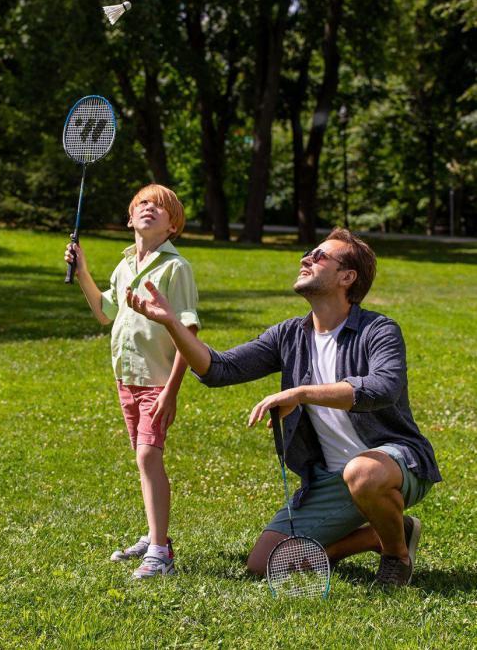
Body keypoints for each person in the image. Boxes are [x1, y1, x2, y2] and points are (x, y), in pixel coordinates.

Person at [126, 227, 441, 587]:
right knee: (263, 564)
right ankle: (382, 532)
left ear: (346, 277)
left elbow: (382, 388)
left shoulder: (378, 330)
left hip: (396, 463)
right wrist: (171, 323)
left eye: (320, 256)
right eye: (309, 252)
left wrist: (301, 393)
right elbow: (218, 370)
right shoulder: (289, 335)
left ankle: (395, 556)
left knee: (362, 472)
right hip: (328, 479)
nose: (307, 259)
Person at [64, 184, 199, 579]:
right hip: (127, 379)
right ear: (130, 218)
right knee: (144, 461)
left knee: (147, 457)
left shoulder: (176, 268)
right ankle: (156, 536)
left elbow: (189, 336)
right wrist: (84, 272)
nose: (150, 208)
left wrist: (172, 391)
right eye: (143, 203)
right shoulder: (124, 266)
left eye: (161, 206)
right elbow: (106, 312)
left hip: (157, 381)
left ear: (173, 225)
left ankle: (160, 553)